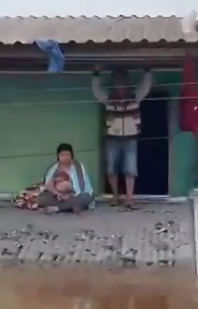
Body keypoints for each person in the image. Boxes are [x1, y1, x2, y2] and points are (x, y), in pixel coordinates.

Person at [92, 66, 152, 208]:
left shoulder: (134, 97)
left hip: (130, 139)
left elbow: (145, 87)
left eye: (122, 81)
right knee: (112, 168)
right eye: (117, 81)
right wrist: (96, 75)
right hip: (112, 138)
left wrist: (147, 71)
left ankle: (129, 198)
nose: (120, 84)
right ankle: (115, 196)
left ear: (126, 82)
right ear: (113, 83)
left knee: (130, 169)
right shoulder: (108, 98)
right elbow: (97, 92)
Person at [37, 143, 94, 214]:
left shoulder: (78, 167)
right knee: (42, 198)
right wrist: (59, 194)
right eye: (62, 155)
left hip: (75, 195)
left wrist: (69, 195)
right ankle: (70, 206)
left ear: (71, 155)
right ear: (58, 156)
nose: (65, 157)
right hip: (58, 196)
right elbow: (48, 185)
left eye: (67, 155)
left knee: (86, 197)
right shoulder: (54, 168)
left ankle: (58, 208)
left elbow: (81, 188)